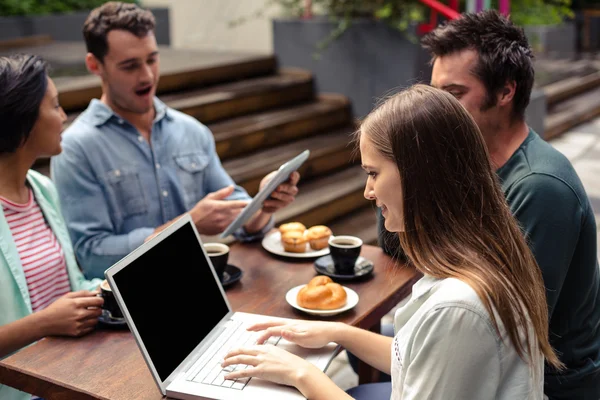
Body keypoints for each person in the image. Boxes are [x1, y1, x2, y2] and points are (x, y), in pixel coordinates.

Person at [219, 84, 561, 399]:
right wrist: (339, 333)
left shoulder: (458, 307)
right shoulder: (476, 255)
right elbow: (415, 358)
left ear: (418, 176)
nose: (369, 192)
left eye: (373, 173)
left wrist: (302, 375)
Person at [371, 11, 600, 399]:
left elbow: (500, 320)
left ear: (506, 92)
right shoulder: (466, 166)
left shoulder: (540, 187)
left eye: (454, 94)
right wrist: (405, 171)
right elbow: (396, 247)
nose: (439, 108)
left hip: (549, 383)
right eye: (434, 93)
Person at [50, 2, 300, 279]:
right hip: (128, 305)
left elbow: (244, 222)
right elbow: (91, 257)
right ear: (94, 65)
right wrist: (188, 224)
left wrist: (264, 203)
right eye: (130, 66)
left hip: (202, 287)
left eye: (152, 59)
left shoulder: (191, 130)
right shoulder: (75, 147)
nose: (146, 75)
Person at [0, 54, 104, 400]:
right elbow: (52, 315)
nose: (63, 117)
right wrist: (43, 323)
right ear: (23, 120)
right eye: (55, 106)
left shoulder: (42, 189)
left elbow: (70, 286)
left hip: (71, 371)